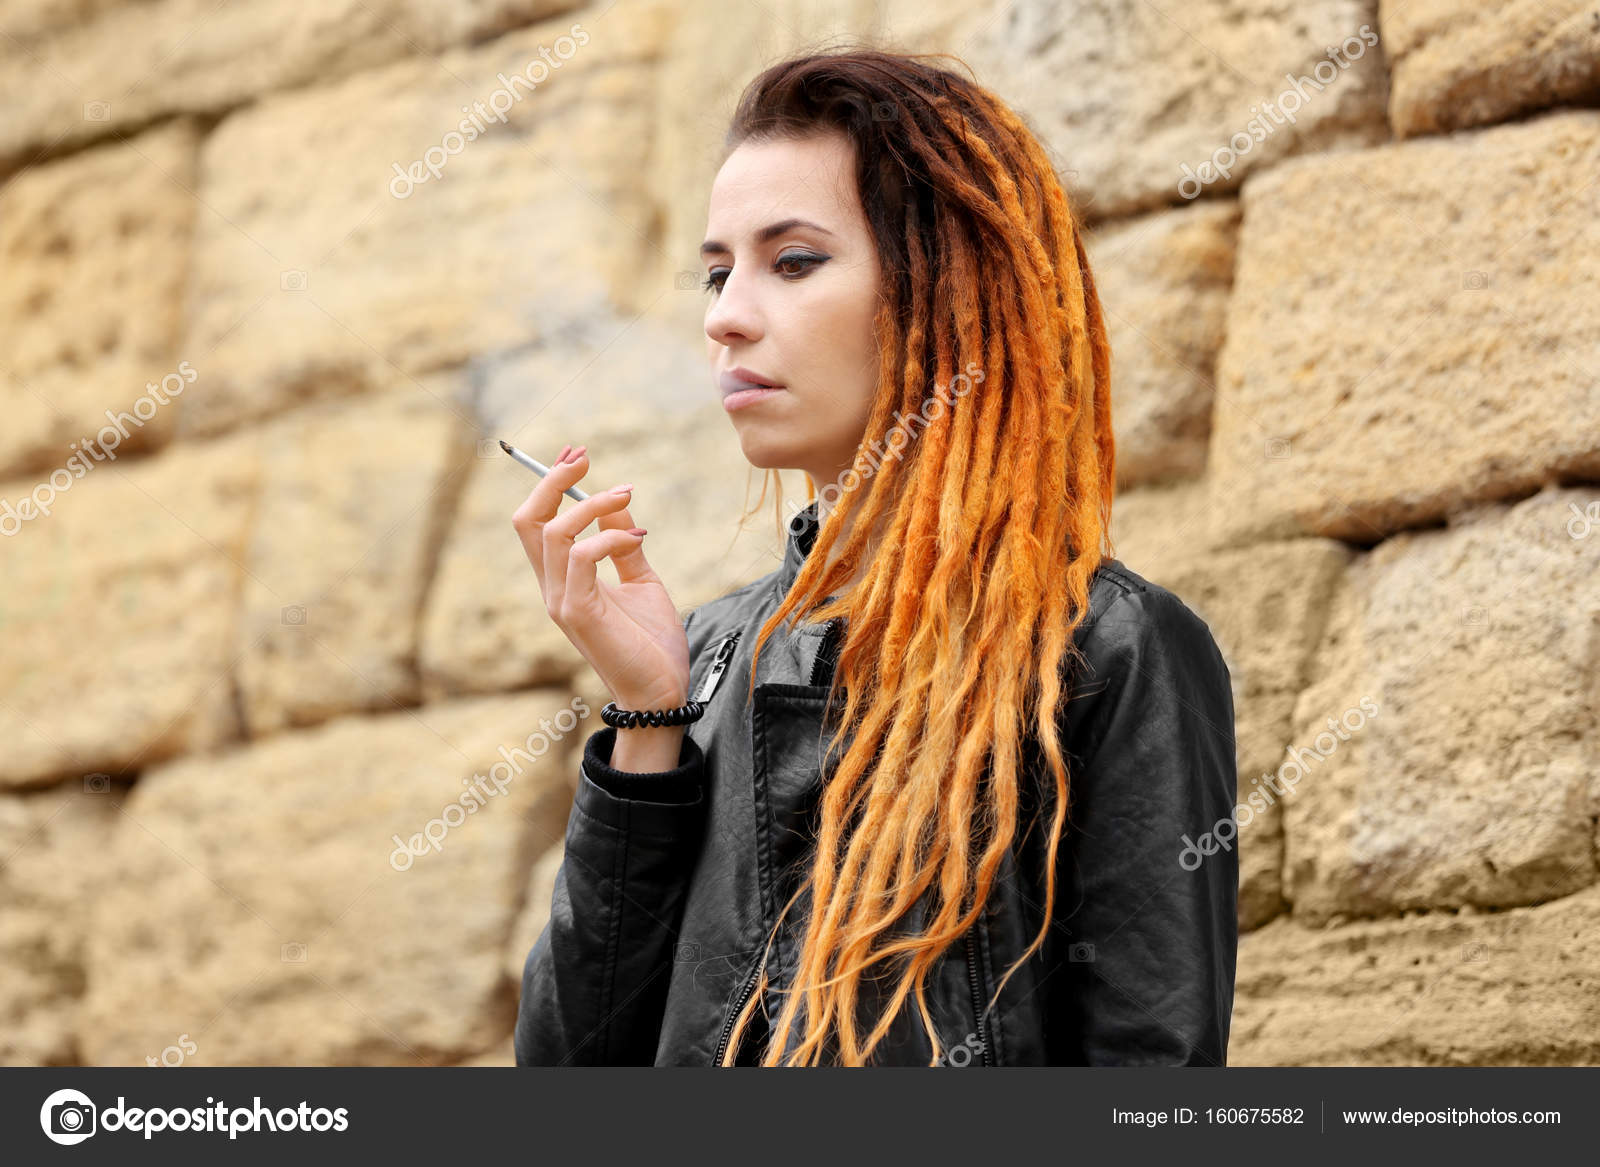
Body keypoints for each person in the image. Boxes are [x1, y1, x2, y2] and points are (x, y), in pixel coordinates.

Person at [510, 46, 1237, 1067]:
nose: (724, 314)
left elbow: (1149, 1064)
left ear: (941, 289)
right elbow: (569, 1068)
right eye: (717, 273)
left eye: (793, 261)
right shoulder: (707, 657)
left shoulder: (1106, 649)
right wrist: (645, 718)